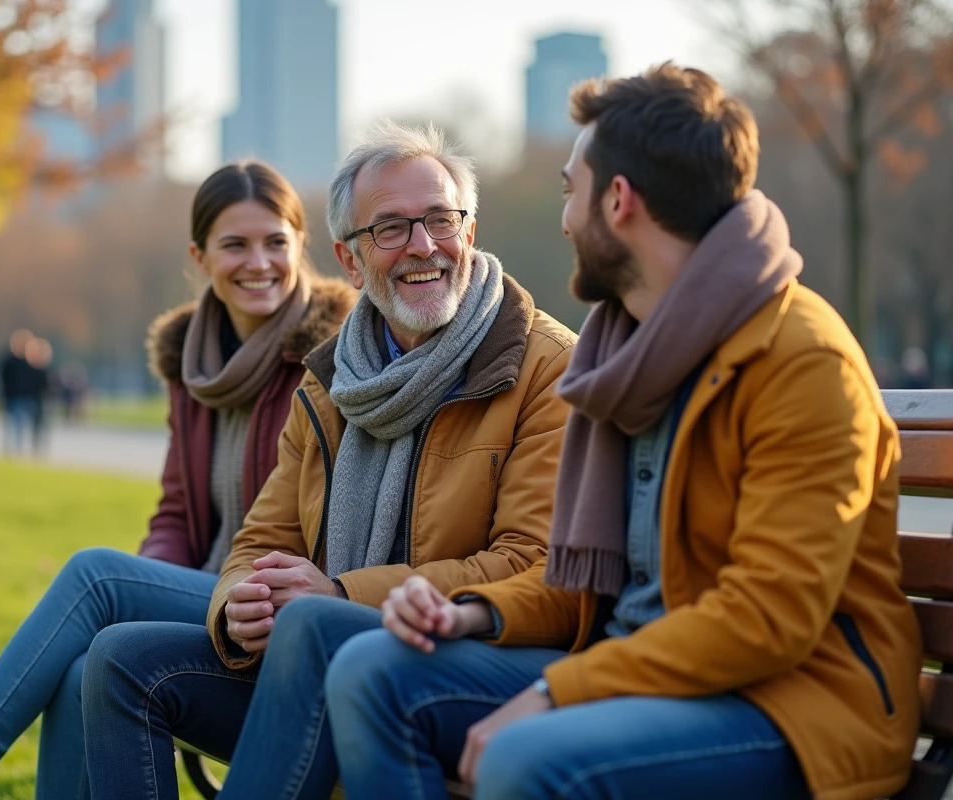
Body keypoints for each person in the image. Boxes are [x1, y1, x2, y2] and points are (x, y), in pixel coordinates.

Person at [321, 63, 923, 800]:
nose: (564, 219)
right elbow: (590, 585)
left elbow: (768, 619)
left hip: (793, 706)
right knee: (371, 671)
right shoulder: (627, 352)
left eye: (570, 190)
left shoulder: (801, 361)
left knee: (528, 760)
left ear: (618, 200)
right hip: (636, 667)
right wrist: (473, 612)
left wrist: (556, 693)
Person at [79, 121, 578, 799]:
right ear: (350, 260)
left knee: (314, 624)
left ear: (471, 231)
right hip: (318, 649)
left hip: (468, 659)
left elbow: (535, 567)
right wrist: (237, 604)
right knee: (121, 660)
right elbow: (260, 539)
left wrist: (342, 595)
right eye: (391, 228)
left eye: (441, 219)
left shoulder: (547, 369)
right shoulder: (331, 381)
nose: (423, 246)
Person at [0, 160, 356, 800]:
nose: (259, 262)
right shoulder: (192, 366)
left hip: (269, 605)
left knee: (96, 577)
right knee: (81, 664)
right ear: (199, 257)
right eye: (235, 244)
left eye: (275, 241)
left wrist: (136, 588)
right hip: (203, 598)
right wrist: (148, 586)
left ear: (301, 244)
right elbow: (176, 512)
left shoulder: (331, 363)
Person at [0, 328, 34, 454]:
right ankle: (12, 448)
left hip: (25, 397)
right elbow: (3, 380)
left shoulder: (30, 362)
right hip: (13, 397)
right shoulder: (9, 362)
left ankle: (17, 448)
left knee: (20, 424)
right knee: (14, 424)